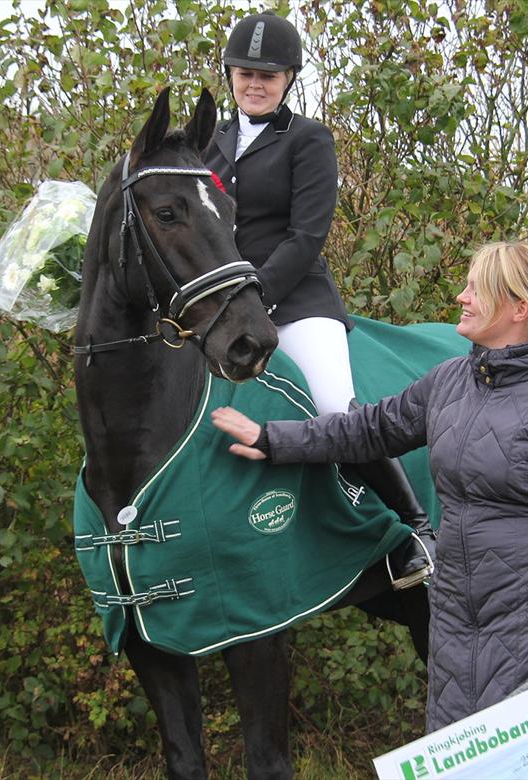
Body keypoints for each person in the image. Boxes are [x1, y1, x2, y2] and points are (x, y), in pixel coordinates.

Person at [212, 241, 528, 730]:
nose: (462, 297)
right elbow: (366, 430)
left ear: (519, 309)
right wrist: (270, 438)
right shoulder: (450, 381)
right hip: (454, 618)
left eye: (478, 290)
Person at [204, 10, 434, 589]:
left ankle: (413, 530)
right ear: (228, 73)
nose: (254, 84)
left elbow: (306, 236)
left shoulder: (307, 139)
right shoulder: (209, 143)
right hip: (217, 309)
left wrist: (253, 296)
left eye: (269, 75)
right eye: (245, 72)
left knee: (334, 404)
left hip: (295, 300)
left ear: (288, 80)